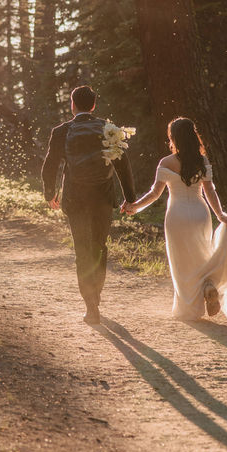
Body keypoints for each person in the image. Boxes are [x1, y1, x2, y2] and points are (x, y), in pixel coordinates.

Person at [123, 117, 227, 320]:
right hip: (200, 213)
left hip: (176, 215)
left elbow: (154, 194)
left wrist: (135, 207)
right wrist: (220, 214)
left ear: (174, 138)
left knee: (182, 263)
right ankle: (207, 285)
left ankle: (190, 309)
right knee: (202, 256)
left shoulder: (166, 162)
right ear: (192, 136)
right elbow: (210, 191)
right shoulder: (202, 161)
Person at [42, 86, 136, 324]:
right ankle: (97, 295)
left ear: (72, 105)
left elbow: (50, 164)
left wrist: (50, 193)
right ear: (94, 105)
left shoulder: (62, 131)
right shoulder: (109, 129)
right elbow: (123, 166)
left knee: (82, 249)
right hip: (103, 198)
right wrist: (130, 197)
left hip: (75, 199)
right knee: (99, 247)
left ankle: (90, 304)